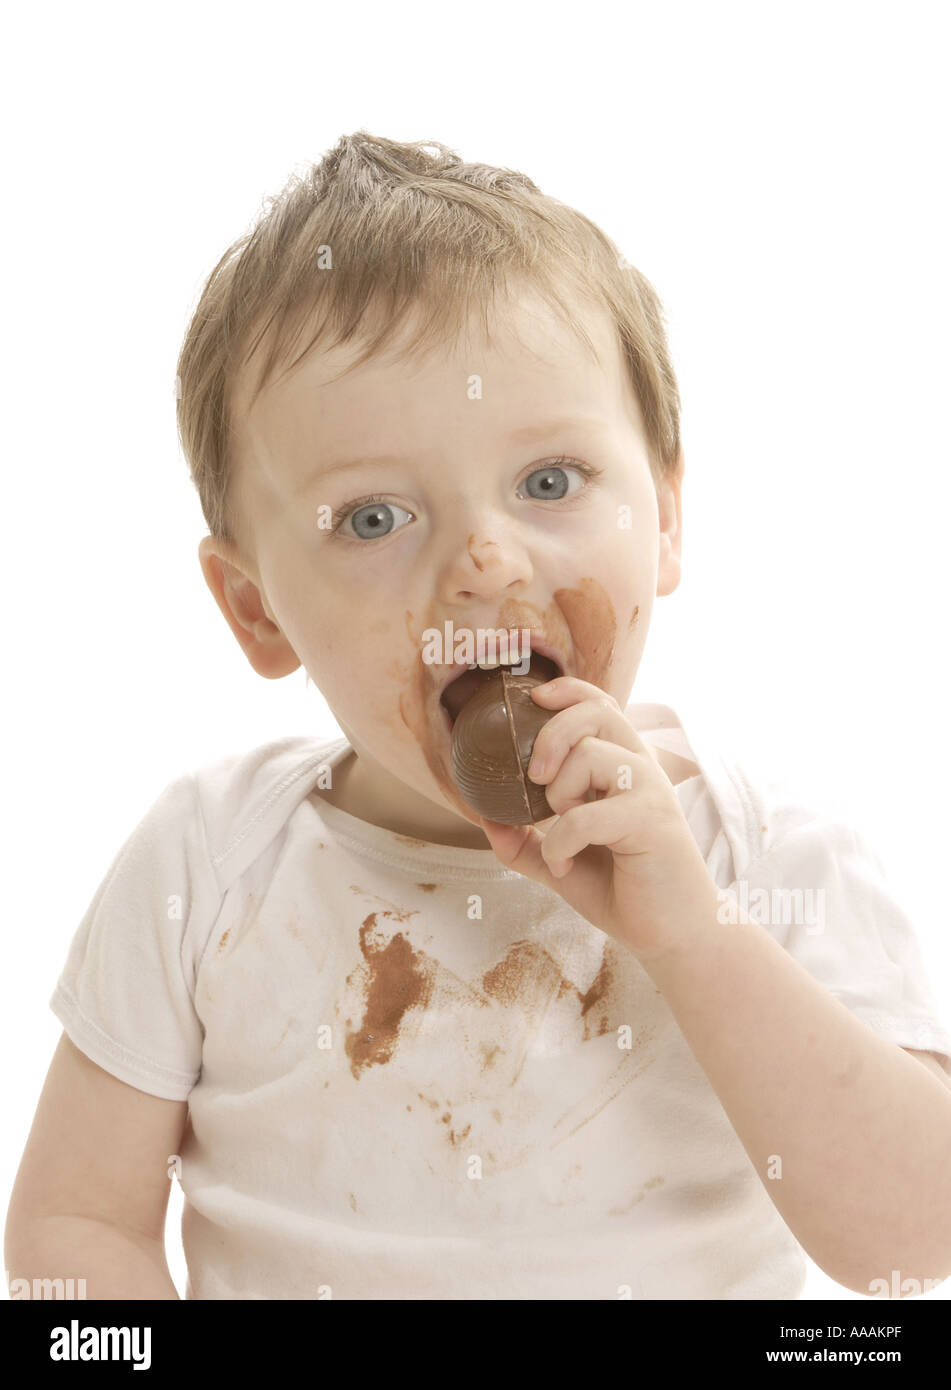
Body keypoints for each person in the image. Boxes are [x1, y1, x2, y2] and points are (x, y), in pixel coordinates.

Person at [8, 131, 951, 1301]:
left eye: (548, 481)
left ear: (663, 517)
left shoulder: (768, 857)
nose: (484, 559)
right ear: (256, 610)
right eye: (371, 518)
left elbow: (917, 1247)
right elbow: (73, 1228)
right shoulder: (209, 865)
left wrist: (696, 940)